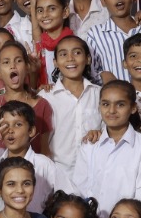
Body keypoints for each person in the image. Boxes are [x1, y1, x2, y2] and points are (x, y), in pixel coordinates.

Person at [71, 80, 141, 218]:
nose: (111, 110)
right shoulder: (90, 145)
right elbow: (80, 191)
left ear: (133, 108)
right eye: (105, 104)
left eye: (120, 105)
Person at [40, 34, 102, 185]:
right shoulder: (46, 97)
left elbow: (110, 130)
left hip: (94, 176)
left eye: (77, 52)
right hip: (58, 176)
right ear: (55, 62)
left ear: (88, 59)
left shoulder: (100, 94)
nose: (70, 58)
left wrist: (101, 133)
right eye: (63, 54)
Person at [0, 42, 54, 155]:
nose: (13, 66)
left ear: (27, 66)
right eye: (6, 62)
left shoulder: (42, 105)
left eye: (18, 61)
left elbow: (45, 150)